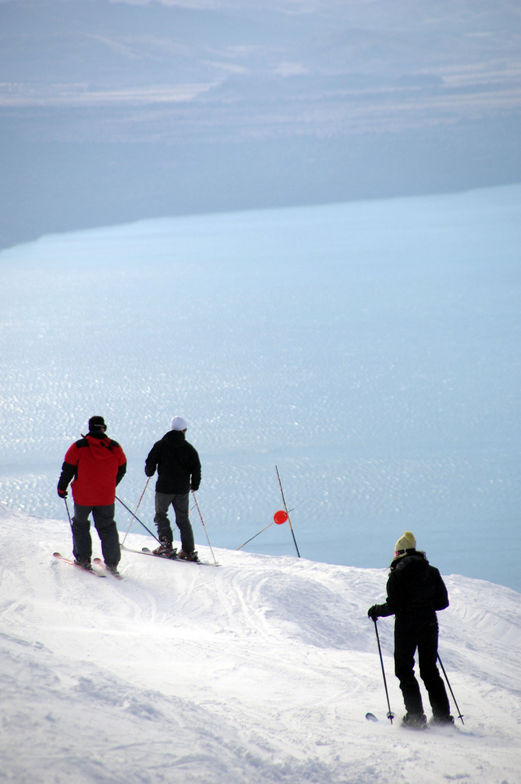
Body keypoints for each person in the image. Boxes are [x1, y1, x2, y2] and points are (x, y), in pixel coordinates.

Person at [367, 531, 453, 728]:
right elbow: (442, 603)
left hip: (406, 627)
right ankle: (442, 718)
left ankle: (415, 717)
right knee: (430, 670)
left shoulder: (397, 575)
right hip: (429, 625)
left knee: (405, 670)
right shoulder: (432, 572)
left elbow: (394, 606)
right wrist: (425, 605)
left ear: (399, 554)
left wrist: (376, 611)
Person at [57, 415, 126, 574]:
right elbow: (122, 468)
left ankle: (83, 559)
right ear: (104, 428)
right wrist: (111, 484)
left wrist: (62, 488)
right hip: (106, 496)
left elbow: (68, 469)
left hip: (83, 496)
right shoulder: (115, 447)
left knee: (80, 525)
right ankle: (112, 563)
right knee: (107, 526)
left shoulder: (79, 447)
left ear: (90, 428)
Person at [145, 416, 201, 561]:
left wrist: (149, 472)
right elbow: (196, 467)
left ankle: (166, 546)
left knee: (161, 515)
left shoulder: (160, 445)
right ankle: (188, 551)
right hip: (182, 489)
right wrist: (195, 485)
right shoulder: (189, 449)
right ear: (184, 430)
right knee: (183, 519)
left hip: (164, 488)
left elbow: (150, 462)